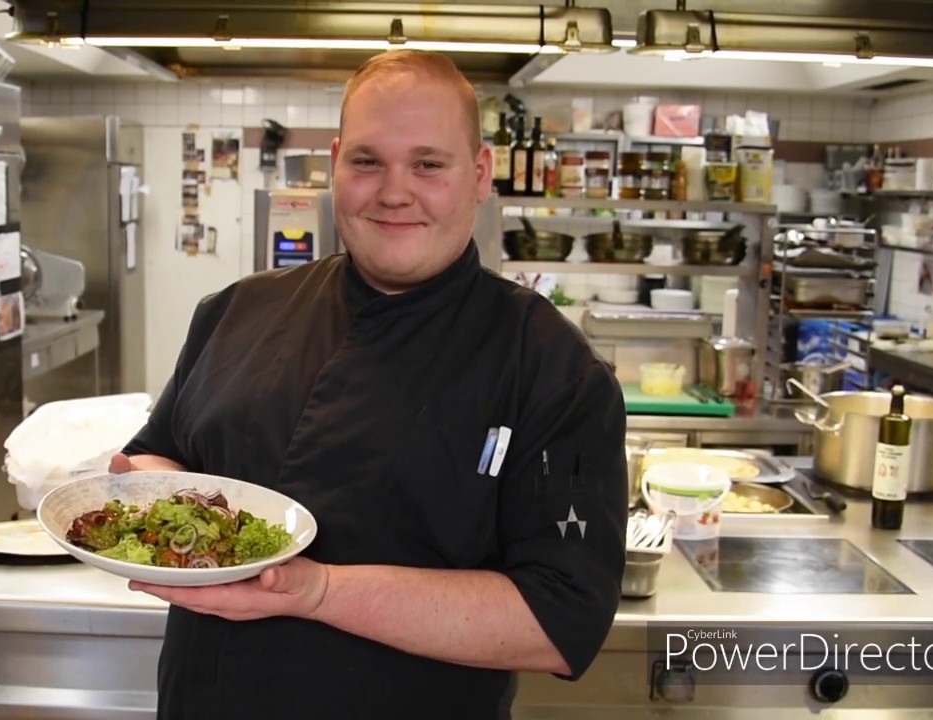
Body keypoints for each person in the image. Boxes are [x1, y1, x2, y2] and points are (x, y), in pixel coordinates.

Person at [109, 49, 628, 719]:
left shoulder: (552, 367)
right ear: (334, 164)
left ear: (479, 174)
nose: (393, 192)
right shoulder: (237, 311)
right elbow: (157, 455)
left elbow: (560, 620)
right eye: (367, 162)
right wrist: (144, 496)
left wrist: (317, 590)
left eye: (429, 164)